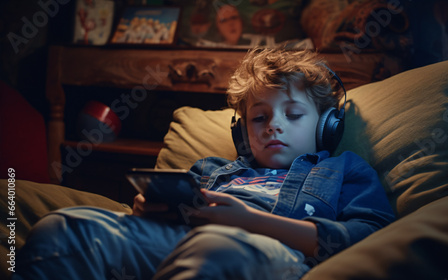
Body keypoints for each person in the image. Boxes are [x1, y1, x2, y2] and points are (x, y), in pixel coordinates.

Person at [13, 48, 395, 280]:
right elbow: (157, 215)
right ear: (243, 133)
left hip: (268, 253)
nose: (274, 125)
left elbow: (371, 236)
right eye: (259, 118)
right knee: (64, 227)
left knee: (217, 247)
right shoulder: (211, 170)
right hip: (173, 242)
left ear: (327, 126)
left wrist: (252, 221)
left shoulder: (343, 169)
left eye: (294, 114)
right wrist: (148, 210)